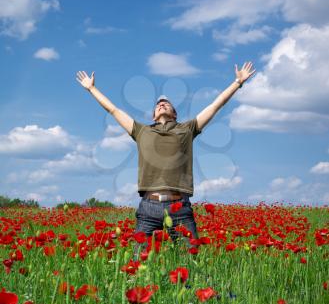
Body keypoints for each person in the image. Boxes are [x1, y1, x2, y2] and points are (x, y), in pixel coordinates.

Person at [76, 62, 256, 257]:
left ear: (175, 114)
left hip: (179, 207)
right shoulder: (141, 131)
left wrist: (237, 82)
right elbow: (113, 110)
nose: (162, 103)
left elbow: (215, 106)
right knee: (137, 264)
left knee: (190, 261)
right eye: (158, 104)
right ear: (154, 115)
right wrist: (92, 88)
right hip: (148, 207)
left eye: (167, 104)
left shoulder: (186, 129)